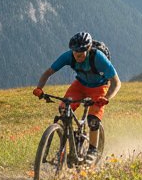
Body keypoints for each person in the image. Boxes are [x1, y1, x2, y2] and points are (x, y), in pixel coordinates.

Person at [32, 31, 121, 163]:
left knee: (93, 119)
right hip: (80, 85)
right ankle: (66, 145)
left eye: (81, 54)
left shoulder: (99, 58)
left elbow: (116, 83)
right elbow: (48, 72)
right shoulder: (69, 56)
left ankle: (92, 150)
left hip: (99, 87)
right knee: (63, 109)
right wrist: (39, 88)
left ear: (89, 49)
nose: (77, 56)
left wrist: (106, 97)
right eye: (75, 53)